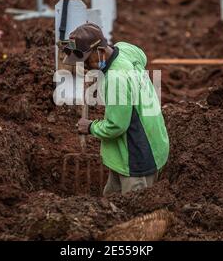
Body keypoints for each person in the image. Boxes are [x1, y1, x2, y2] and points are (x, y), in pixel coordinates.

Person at [59, 23, 169, 196]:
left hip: (137, 154)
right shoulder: (125, 49)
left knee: (134, 211)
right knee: (111, 200)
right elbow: (142, 56)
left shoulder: (116, 79)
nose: (86, 67)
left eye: (87, 61)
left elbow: (116, 126)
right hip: (151, 138)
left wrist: (90, 127)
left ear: (100, 51)